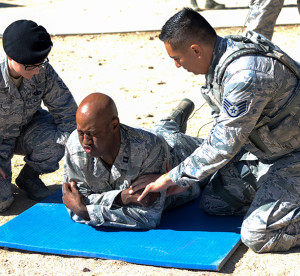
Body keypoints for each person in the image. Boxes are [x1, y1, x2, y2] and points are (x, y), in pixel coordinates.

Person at [131, 8, 300, 253]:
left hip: (293, 157)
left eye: (177, 58)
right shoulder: (222, 61)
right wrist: (187, 178)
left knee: (257, 235)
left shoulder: (245, 74)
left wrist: (172, 178)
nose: (177, 65)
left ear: (195, 50)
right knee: (215, 203)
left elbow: (222, 145)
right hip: (271, 152)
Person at [62, 92, 202, 229]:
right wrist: (122, 197)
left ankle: (172, 121)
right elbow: (73, 200)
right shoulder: (75, 144)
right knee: (161, 131)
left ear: (114, 125)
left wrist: (86, 212)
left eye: (93, 134)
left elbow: (147, 217)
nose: (85, 141)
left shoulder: (150, 147)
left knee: (199, 150)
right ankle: (171, 121)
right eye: (81, 133)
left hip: (180, 152)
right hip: (152, 137)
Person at [0, 20, 77, 212]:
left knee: (59, 138)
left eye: (40, 63)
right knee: (2, 203)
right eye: (30, 66)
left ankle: (29, 177)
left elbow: (66, 111)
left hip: (27, 129)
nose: (36, 70)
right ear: (10, 57)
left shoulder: (41, 70)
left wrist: (76, 150)